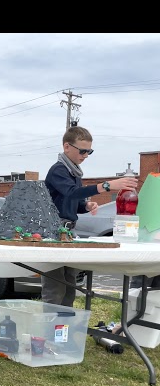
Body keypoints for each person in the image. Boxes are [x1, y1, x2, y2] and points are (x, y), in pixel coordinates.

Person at [42, 125, 138, 307]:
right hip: (53, 234)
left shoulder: (74, 172)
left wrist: (86, 205)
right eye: (83, 151)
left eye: (89, 151)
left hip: (68, 233)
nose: (85, 155)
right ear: (66, 146)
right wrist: (107, 186)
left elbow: (73, 201)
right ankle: (50, 330)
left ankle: (63, 330)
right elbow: (71, 192)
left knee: (69, 286)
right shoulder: (58, 170)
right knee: (55, 289)